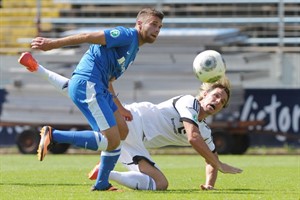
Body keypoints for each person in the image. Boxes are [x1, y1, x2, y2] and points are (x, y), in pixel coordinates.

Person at [18, 54, 242, 191]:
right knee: (88, 95)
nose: (217, 100)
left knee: (161, 184)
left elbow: (210, 160)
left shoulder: (206, 131)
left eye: (221, 101)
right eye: (215, 95)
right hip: (133, 119)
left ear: (221, 109)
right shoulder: (189, 102)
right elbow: (193, 139)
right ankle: (55, 135)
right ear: (203, 95)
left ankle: (104, 174)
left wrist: (210, 184)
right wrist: (219, 164)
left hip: (137, 143)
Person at [18, 7, 164, 191]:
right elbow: (88, 36)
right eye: (153, 24)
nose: (157, 30)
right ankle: (54, 135)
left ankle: (102, 182)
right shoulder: (126, 35)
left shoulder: (133, 49)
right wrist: (52, 44)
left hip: (98, 87)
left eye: (160, 26)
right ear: (140, 23)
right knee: (111, 141)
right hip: (90, 85)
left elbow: (110, 79)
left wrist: (120, 107)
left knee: (122, 131)